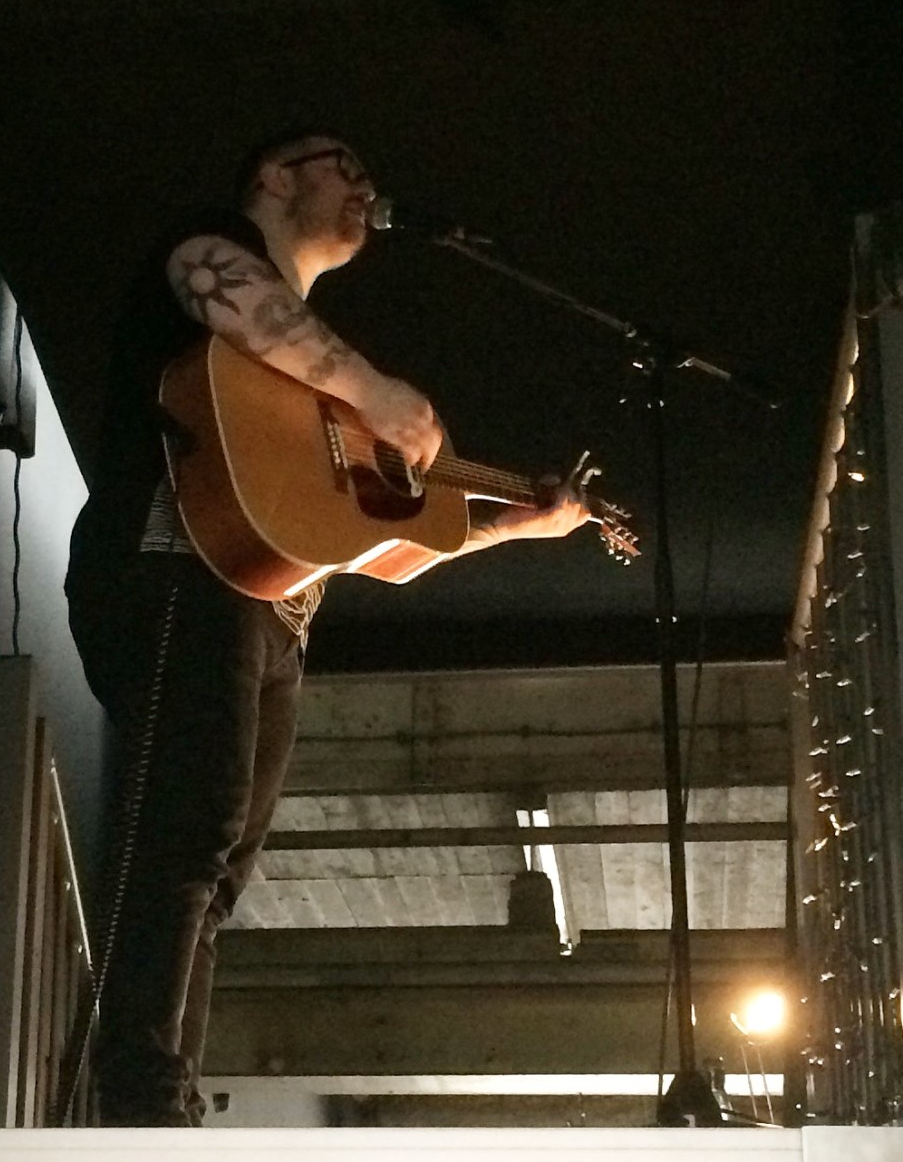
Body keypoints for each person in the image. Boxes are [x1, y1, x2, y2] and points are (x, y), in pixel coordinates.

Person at [64, 130, 589, 1126]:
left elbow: (382, 545)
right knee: (186, 828)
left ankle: (162, 1089)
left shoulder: (310, 390)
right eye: (343, 166)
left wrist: (519, 524)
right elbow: (208, 275)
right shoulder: (216, 248)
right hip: (179, 568)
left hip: (267, 608)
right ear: (273, 177)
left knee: (219, 871)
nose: (365, 187)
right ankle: (138, 1093)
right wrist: (374, 389)